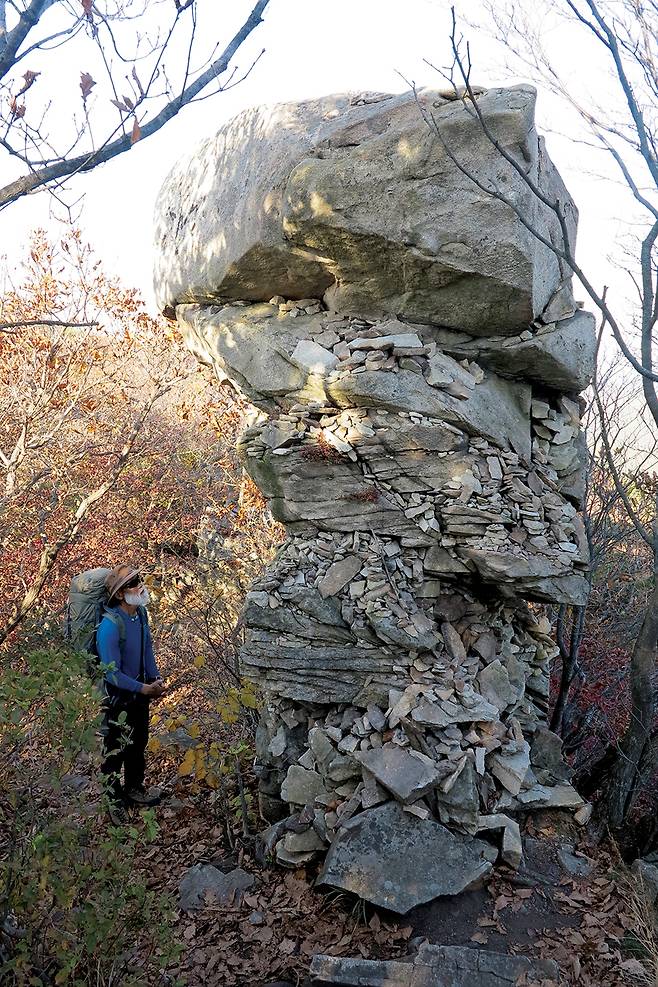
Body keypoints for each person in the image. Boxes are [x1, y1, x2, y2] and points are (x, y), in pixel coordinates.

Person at [97, 564, 166, 822]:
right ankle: (114, 802)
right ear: (119, 594)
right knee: (115, 750)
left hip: (139, 692)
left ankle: (134, 789)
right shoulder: (110, 627)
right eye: (133, 583)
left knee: (138, 744)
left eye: (139, 580)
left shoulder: (141, 615)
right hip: (117, 698)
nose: (140, 585)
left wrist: (154, 677)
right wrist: (142, 688)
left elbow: (147, 648)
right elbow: (110, 673)